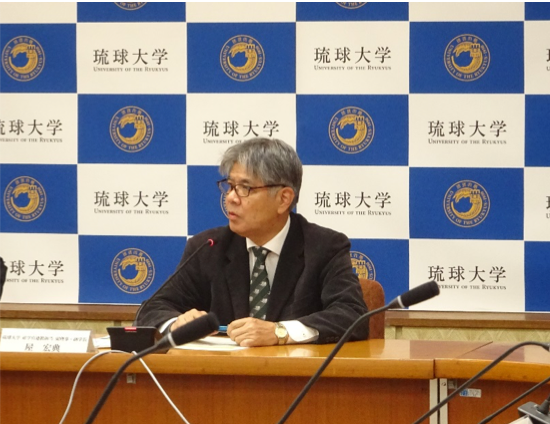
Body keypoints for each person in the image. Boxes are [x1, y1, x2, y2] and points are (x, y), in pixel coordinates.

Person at [136, 137, 369, 347]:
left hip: (298, 374)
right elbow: (152, 309)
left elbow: (352, 315)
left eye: (245, 188)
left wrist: (280, 332)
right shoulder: (208, 247)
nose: (230, 198)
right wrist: (176, 323)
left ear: (283, 199)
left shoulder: (324, 247)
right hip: (223, 375)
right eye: (230, 186)